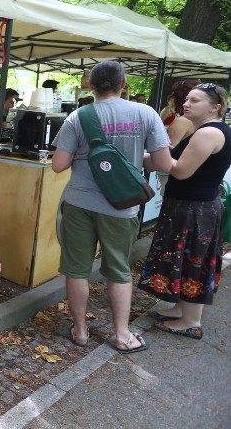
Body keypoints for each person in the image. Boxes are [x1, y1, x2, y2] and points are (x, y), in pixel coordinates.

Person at [51, 61, 173, 353]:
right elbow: (163, 163)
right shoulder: (146, 113)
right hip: (122, 206)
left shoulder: (79, 116)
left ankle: (80, 330)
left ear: (90, 85)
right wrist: (131, 159)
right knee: (118, 269)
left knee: (77, 269)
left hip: (80, 203)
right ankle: (121, 334)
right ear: (124, 83)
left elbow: (58, 165)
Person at [138, 83, 231, 340]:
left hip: (195, 210)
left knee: (192, 263)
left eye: (195, 101)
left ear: (215, 107)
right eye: (187, 99)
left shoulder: (208, 133)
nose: (187, 104)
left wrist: (156, 150)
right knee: (184, 261)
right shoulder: (205, 130)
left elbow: (180, 170)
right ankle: (181, 309)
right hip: (191, 206)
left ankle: (191, 321)